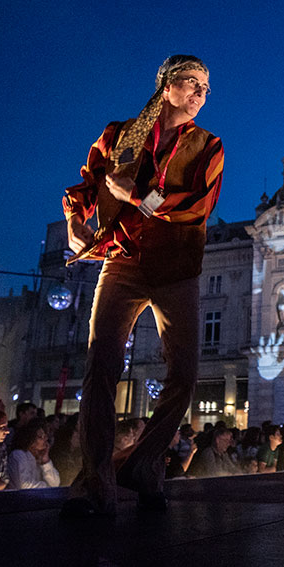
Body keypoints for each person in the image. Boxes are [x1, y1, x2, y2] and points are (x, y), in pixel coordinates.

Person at [60, 54, 224, 517]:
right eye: (192, 82)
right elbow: (86, 185)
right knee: (100, 369)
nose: (200, 93)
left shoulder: (208, 146)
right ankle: (96, 486)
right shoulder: (119, 135)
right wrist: (75, 220)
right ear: (165, 86)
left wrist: (137, 195)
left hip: (177, 267)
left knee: (185, 375)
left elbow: (196, 205)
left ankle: (143, 463)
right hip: (123, 261)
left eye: (206, 88)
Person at [8, 419, 61, 489]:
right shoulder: (19, 455)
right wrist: (48, 487)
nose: (45, 439)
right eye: (40, 437)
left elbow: (55, 483)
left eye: (45, 436)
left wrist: (46, 461)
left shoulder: (39, 457)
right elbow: (25, 485)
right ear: (30, 440)